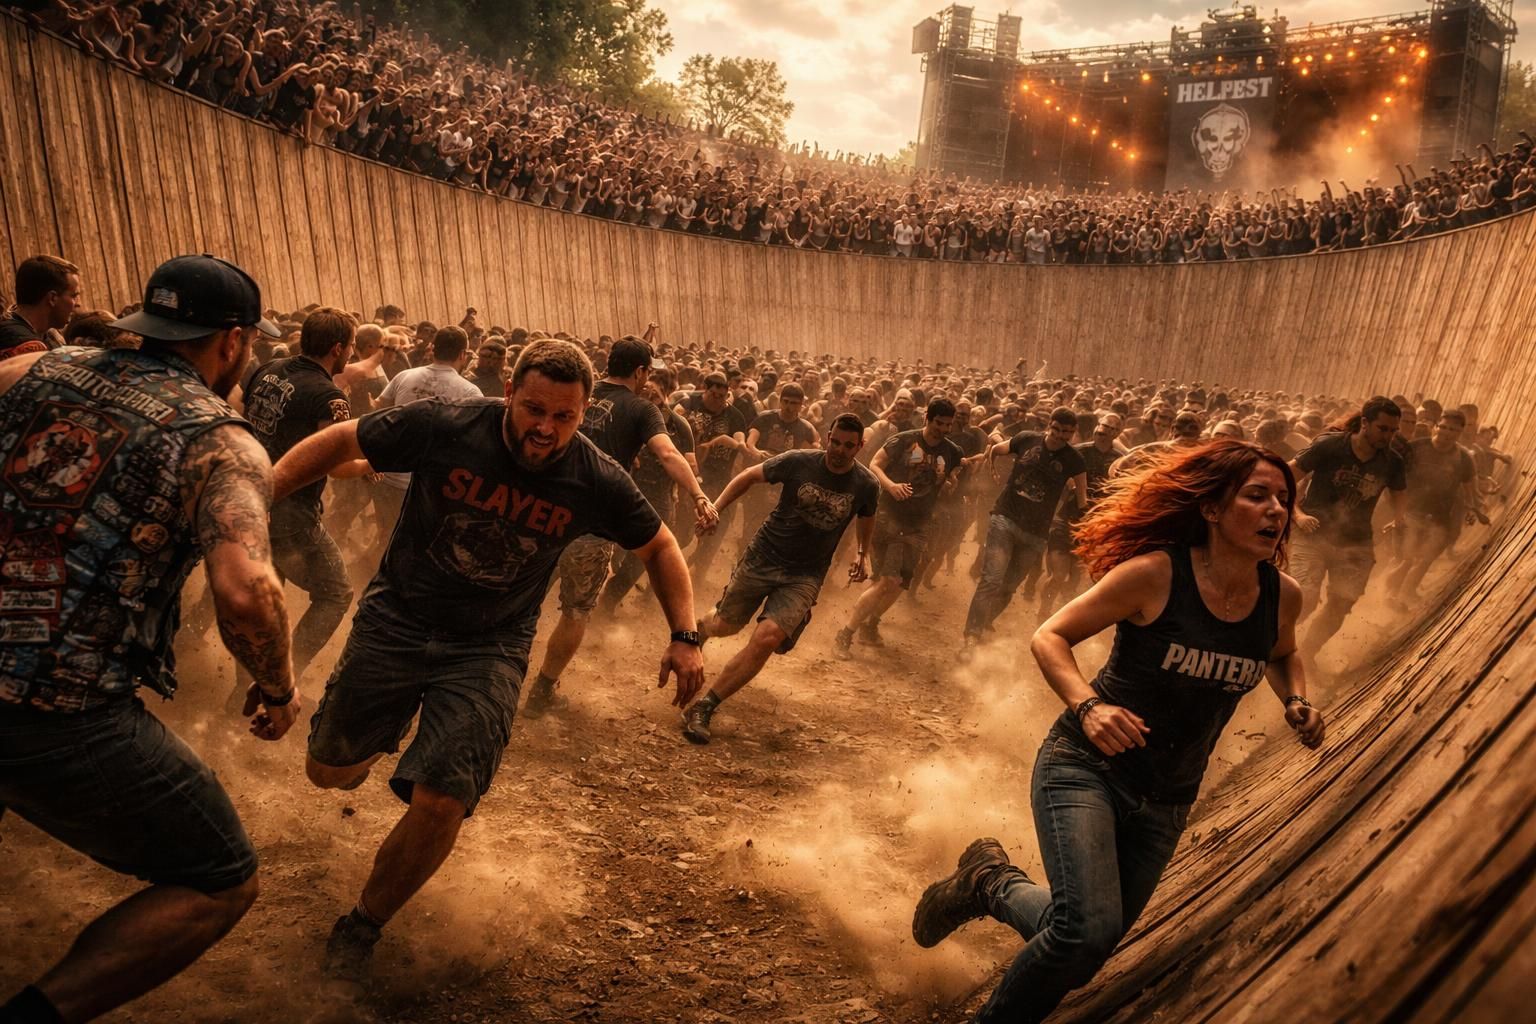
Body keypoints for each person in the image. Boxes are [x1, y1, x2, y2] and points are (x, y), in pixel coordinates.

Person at [268, 339, 706, 983]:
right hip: (398, 619)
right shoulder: (449, 425)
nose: (545, 429)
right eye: (534, 410)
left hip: (489, 645)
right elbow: (341, 441)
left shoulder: (592, 474)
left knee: (444, 798)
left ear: (585, 412)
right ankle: (379, 738)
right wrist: (262, 495)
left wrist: (686, 635)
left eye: (565, 417)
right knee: (328, 773)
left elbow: (661, 545)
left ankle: (363, 923)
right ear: (511, 395)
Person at [911, 440, 1325, 1024]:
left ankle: (987, 882)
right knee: (1084, 934)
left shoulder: (1282, 596)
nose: (1276, 511)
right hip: (1086, 768)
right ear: (1210, 508)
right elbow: (1050, 637)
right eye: (1257, 496)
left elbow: (1283, 653)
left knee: (1085, 947)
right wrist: (1089, 707)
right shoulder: (1156, 574)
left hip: (1169, 797)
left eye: (1283, 499)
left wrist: (1298, 699)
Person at [0, 254, 298, 1024]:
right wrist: (277, 686)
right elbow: (248, 591)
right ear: (230, 342)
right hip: (55, 707)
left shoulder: (32, 369)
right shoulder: (220, 443)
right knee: (220, 876)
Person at [523, 334, 718, 717]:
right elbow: (667, 453)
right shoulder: (642, 409)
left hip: (541, 514)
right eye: (648, 372)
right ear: (641, 371)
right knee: (575, 612)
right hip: (593, 526)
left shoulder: (580, 392)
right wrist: (698, 494)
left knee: (520, 595)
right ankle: (540, 692)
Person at [682, 414, 879, 743]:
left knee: (768, 638)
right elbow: (747, 476)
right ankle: (703, 628)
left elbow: (867, 516)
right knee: (726, 626)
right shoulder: (798, 461)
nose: (840, 451)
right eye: (835, 442)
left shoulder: (866, 484)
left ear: (860, 447)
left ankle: (704, 706)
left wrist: (863, 553)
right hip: (763, 556)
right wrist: (715, 507)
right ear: (827, 438)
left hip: (806, 573)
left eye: (849, 446)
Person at [240, 307, 359, 693]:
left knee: (262, 602)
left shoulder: (269, 369)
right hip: (291, 514)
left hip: (249, 501)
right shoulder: (327, 396)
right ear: (337, 348)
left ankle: (244, 688)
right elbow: (338, 465)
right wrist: (375, 462)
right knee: (335, 592)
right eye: (352, 346)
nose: (352, 354)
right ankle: (280, 680)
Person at [834, 398, 962, 656]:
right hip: (888, 518)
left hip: (920, 523)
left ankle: (871, 625)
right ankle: (845, 634)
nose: (944, 429)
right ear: (927, 417)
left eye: (949, 424)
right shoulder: (904, 440)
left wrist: (949, 484)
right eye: (939, 423)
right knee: (886, 580)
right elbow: (875, 464)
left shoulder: (953, 451)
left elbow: (950, 477)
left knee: (900, 582)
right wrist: (891, 486)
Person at [961, 407, 1088, 651]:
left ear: (1074, 433)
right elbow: (996, 449)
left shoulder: (1075, 460)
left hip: (1036, 533)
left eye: (1068, 433)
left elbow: (1082, 499)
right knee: (992, 579)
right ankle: (971, 636)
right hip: (1005, 518)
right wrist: (993, 469)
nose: (1061, 436)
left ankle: (985, 621)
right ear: (1049, 425)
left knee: (1009, 587)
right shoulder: (1027, 439)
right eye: (1058, 430)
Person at [1287, 396, 1407, 652]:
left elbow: (1400, 496)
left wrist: (1399, 521)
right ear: (1365, 423)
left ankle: (1307, 655)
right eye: (1383, 429)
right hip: (1312, 533)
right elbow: (1286, 478)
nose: (1388, 436)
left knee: (1341, 605)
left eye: (1394, 430)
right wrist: (1297, 515)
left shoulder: (1393, 461)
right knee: (1305, 597)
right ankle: (1272, 651)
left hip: (1356, 542)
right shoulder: (1330, 446)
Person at [367, 324, 483, 563]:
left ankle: (375, 585)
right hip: (435, 486)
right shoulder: (470, 392)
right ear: (463, 354)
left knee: (387, 538)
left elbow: (377, 412)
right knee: (426, 545)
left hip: (391, 478)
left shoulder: (404, 376)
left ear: (432, 348)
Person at [1386, 409, 1485, 596]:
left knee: (1426, 558)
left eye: (1453, 430)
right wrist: (1395, 511)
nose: (1446, 433)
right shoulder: (1415, 448)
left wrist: (1473, 508)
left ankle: (1408, 592)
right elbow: (1393, 480)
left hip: (1439, 517)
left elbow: (1470, 488)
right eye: (1443, 427)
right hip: (1411, 512)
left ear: (1460, 433)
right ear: (1436, 427)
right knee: (1406, 558)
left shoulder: (1463, 459)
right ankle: (1389, 593)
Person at [1038, 413, 1122, 615]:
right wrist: (1071, 484)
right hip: (1066, 518)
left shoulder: (1119, 461)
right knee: (1058, 574)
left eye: (1110, 428)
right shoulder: (1077, 452)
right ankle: (1043, 611)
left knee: (1074, 579)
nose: (1103, 431)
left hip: (1093, 527)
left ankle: (1063, 614)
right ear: (1095, 428)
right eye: (1102, 426)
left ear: (1117, 433)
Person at [675, 372, 748, 579]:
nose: (718, 401)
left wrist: (728, 442)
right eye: (714, 395)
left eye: (722, 396)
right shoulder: (689, 403)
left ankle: (696, 576)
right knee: (683, 533)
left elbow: (739, 441)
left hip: (720, 481)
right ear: (705, 390)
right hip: (688, 478)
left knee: (713, 536)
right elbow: (673, 417)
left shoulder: (734, 415)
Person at [1, 256, 83, 360]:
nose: (78, 304)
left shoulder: (49, 335)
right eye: (73, 296)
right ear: (52, 298)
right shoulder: (22, 346)